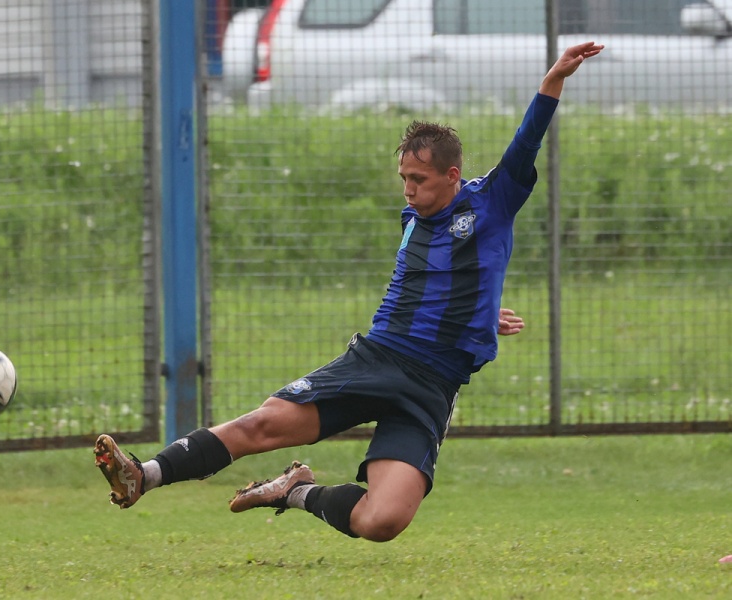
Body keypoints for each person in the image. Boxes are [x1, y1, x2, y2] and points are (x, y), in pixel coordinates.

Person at [93, 42, 603, 542]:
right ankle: (144, 475)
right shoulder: (413, 218)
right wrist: (478, 313)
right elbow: (429, 285)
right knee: (263, 424)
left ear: (452, 175)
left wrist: (551, 82)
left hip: (432, 387)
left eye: (419, 179)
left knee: (382, 522)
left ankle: (295, 490)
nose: (408, 189)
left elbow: (526, 144)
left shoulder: (492, 201)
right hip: (380, 359)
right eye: (403, 178)